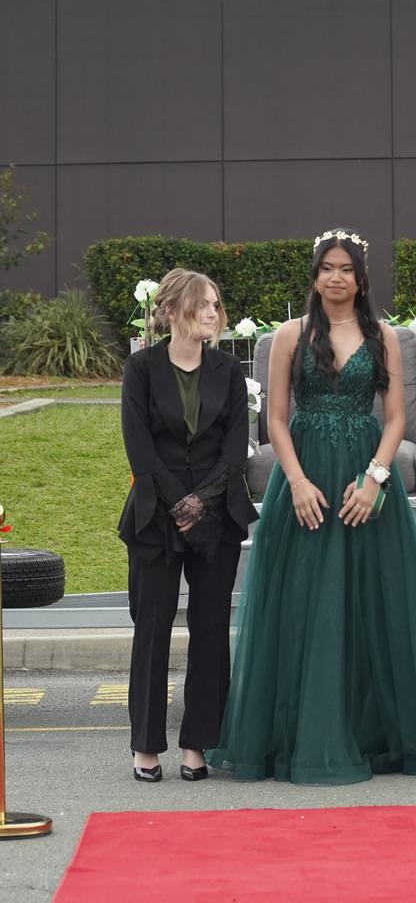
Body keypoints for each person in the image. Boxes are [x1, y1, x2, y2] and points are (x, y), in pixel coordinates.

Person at [206, 229, 416, 784]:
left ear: (361, 278)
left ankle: (378, 736)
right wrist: (295, 482)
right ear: (314, 276)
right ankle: (299, 738)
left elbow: (396, 420)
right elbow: (275, 423)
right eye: (326, 268)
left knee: (374, 605)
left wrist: (375, 480)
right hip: (307, 483)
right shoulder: (289, 336)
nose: (335, 277)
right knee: (308, 607)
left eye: (346, 269)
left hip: (366, 482)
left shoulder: (382, 336)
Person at [118, 267, 257, 782]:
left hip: (218, 516)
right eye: (203, 304)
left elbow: (234, 447)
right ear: (172, 310)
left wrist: (203, 501)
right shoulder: (141, 369)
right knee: (152, 628)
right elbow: (140, 447)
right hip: (156, 516)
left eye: (216, 305)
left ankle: (198, 744)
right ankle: (146, 747)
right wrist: (181, 502)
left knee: (210, 630)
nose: (212, 313)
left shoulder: (227, 370)